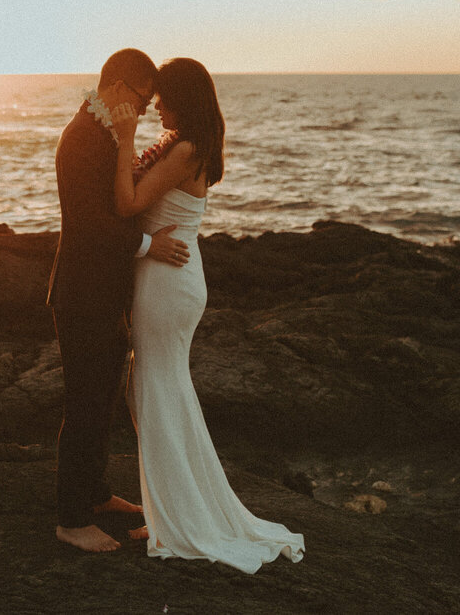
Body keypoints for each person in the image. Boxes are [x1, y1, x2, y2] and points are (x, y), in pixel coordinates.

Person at [110, 57, 305, 572]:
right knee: (154, 386)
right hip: (170, 276)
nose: (155, 105)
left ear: (183, 98)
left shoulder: (186, 149)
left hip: (168, 281)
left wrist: (125, 136)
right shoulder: (187, 144)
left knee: (157, 387)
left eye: (162, 97)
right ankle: (171, 507)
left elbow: (129, 206)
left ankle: (176, 518)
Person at [48, 49, 190, 553]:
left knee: (105, 394)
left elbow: (120, 199)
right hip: (83, 294)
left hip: (105, 291)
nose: (150, 107)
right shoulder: (82, 137)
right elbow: (90, 224)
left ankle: (96, 492)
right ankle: (70, 519)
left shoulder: (105, 130)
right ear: (117, 88)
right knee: (85, 402)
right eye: (145, 96)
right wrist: (152, 244)